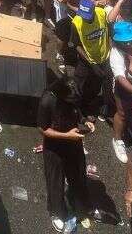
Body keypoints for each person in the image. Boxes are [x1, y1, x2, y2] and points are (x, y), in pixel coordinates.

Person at [38, 72, 96, 232]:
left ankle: (80, 207)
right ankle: (56, 212)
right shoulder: (47, 100)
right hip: (54, 148)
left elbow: (78, 111)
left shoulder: (73, 96)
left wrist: (85, 121)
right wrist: (66, 135)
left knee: (77, 176)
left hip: (73, 143)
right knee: (55, 181)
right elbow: (43, 129)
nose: (74, 102)